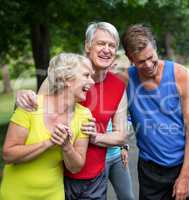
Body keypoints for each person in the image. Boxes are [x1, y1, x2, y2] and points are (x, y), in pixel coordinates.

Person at [15, 22, 128, 200]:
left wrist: (95, 137)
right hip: (57, 174)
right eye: (101, 43)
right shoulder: (63, 77)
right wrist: (22, 96)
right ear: (87, 46)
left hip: (94, 180)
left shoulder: (118, 86)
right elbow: (33, 111)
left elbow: (121, 135)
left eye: (112, 45)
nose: (107, 49)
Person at [122, 24, 189, 200]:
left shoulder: (182, 75)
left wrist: (185, 177)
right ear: (130, 58)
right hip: (150, 170)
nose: (149, 64)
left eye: (152, 57)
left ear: (155, 48)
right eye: (141, 62)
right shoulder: (125, 79)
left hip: (187, 164)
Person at [0, 53, 94, 199]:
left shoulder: (84, 115)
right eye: (86, 75)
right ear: (67, 79)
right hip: (16, 193)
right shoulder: (31, 105)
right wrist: (49, 142)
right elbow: (8, 154)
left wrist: (67, 146)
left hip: (53, 194)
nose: (92, 82)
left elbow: (75, 167)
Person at [105, 119, 135, 200]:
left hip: (117, 156)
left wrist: (124, 146)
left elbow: (126, 120)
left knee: (127, 197)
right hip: (98, 158)